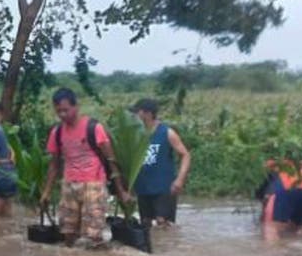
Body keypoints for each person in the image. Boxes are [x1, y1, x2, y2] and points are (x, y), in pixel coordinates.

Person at [41, 88, 131, 246]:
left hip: (93, 185)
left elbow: (111, 160)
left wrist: (121, 191)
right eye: (58, 111)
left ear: (76, 106)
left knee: (92, 236)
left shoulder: (94, 128)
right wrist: (46, 193)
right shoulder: (57, 132)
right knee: (68, 233)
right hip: (69, 185)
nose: (62, 114)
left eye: (66, 110)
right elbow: (54, 165)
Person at [130, 98, 192, 227]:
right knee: (145, 223)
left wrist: (180, 179)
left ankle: (167, 246)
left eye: (138, 112)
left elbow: (185, 155)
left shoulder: (166, 132)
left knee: (162, 222)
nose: (134, 116)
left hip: (163, 187)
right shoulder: (135, 134)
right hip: (143, 187)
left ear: (148, 114)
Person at [260, 165, 302, 240]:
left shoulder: (267, 168)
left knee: (271, 227)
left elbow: (268, 196)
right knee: (293, 229)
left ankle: (272, 250)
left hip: (288, 188)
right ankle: (293, 251)